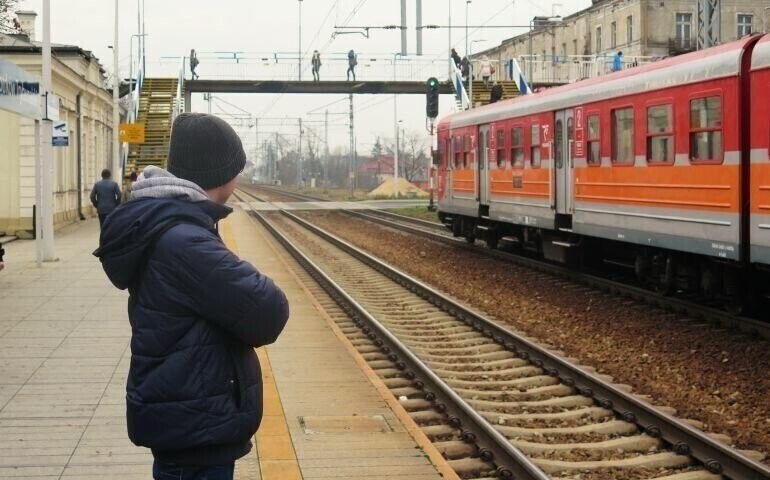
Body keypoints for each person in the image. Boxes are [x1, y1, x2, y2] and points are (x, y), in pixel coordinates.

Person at [94, 113, 290, 480]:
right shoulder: (185, 241)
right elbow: (269, 311)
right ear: (222, 172)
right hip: (194, 424)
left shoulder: (174, 227)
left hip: (188, 412)